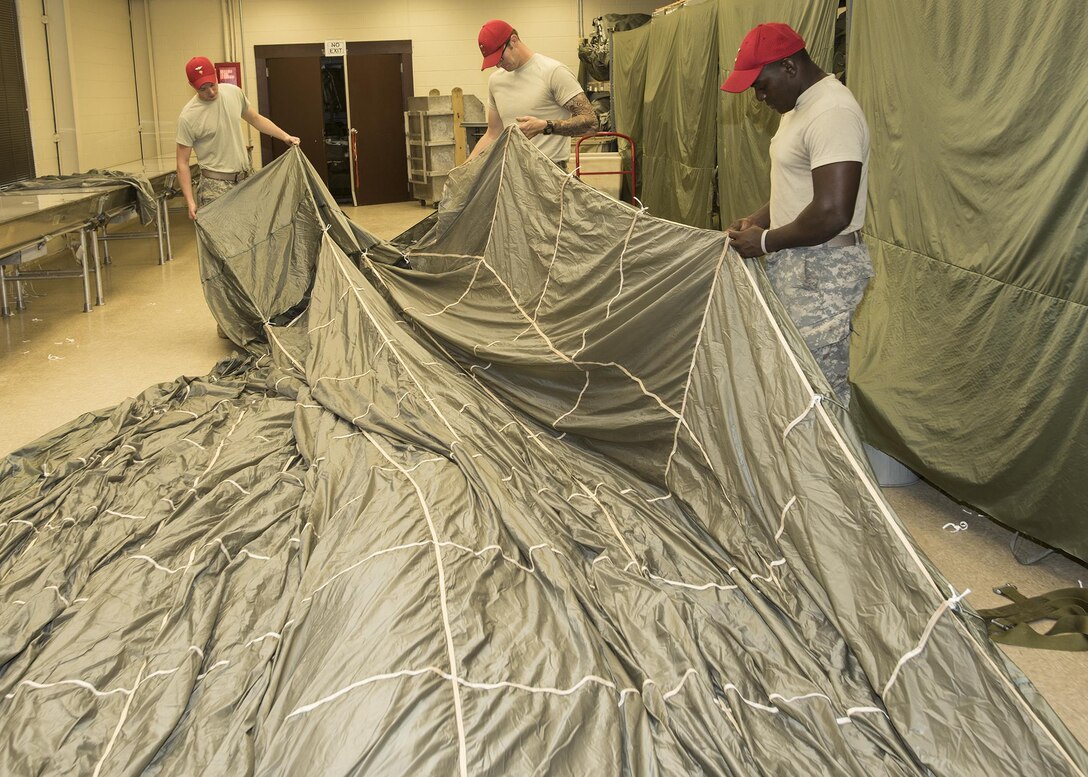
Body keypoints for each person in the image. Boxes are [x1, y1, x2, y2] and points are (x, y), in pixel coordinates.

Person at [722, 23, 872, 406]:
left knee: (817, 390)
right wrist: (759, 221)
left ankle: (829, 466)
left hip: (823, 272)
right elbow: (801, 190)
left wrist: (766, 241)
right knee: (791, 381)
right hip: (800, 264)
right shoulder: (798, 107)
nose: (758, 97)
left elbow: (833, 211)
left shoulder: (832, 111)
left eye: (761, 85)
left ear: (789, 67)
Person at [175, 56, 300, 221]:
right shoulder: (188, 117)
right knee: (222, 243)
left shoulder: (233, 92)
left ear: (215, 75)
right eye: (203, 89)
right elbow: (182, 163)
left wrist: (285, 136)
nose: (210, 92)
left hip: (245, 180)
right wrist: (190, 201)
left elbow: (255, 119)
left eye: (212, 85)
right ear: (192, 86)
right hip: (215, 186)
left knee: (250, 236)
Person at [467, 20, 597, 165]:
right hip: (512, 172)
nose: (498, 65)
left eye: (500, 58)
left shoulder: (553, 72)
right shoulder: (495, 81)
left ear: (513, 41)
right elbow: (492, 135)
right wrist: (464, 169)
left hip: (550, 173)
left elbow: (591, 122)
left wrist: (546, 126)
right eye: (494, 62)